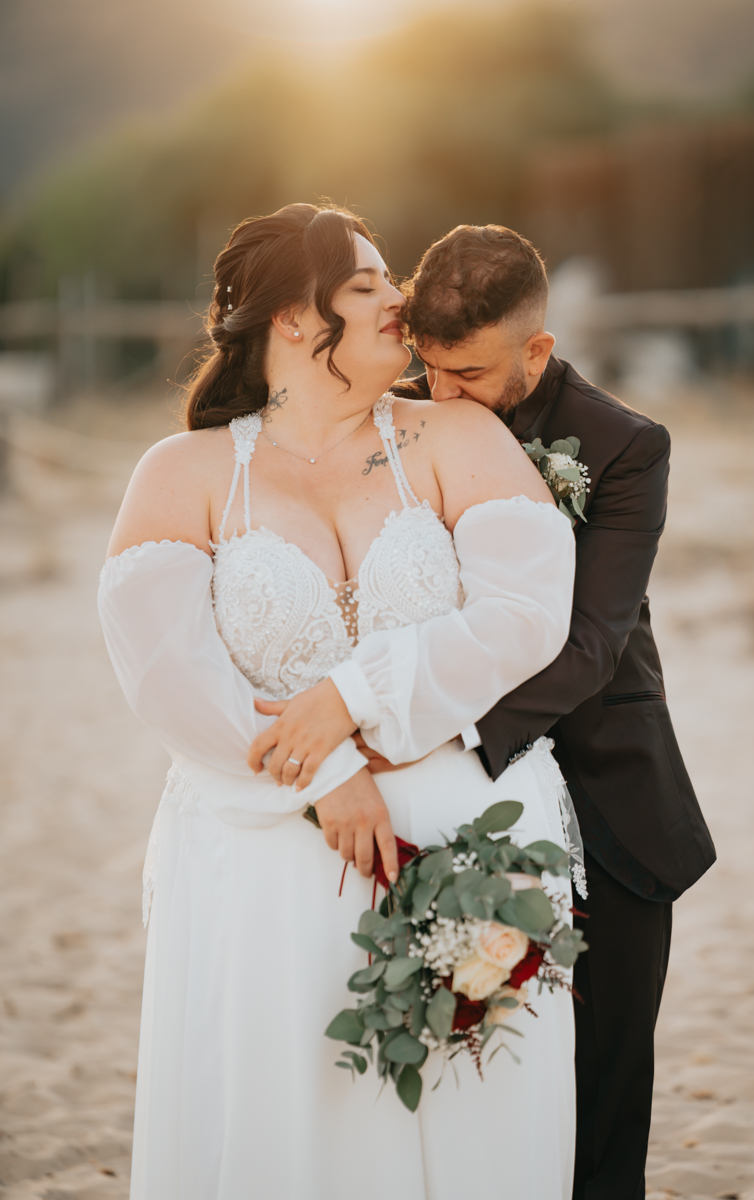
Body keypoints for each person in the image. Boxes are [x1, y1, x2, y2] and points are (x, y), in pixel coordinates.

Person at [98, 203, 580, 1200]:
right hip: (270, 859)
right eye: (365, 284)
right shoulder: (184, 472)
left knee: (477, 1129)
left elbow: (525, 613)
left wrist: (354, 696)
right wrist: (323, 776)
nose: (398, 296)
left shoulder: (455, 434)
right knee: (296, 1126)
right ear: (291, 317)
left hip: (466, 846)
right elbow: (165, 673)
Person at [377, 223, 715, 1200]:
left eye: (470, 374)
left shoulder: (624, 446)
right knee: (470, 1068)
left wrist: (443, 735)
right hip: (447, 812)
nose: (444, 396)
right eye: (428, 369)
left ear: (536, 348)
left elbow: (590, 645)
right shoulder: (400, 422)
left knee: (601, 1087)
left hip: (607, 794)